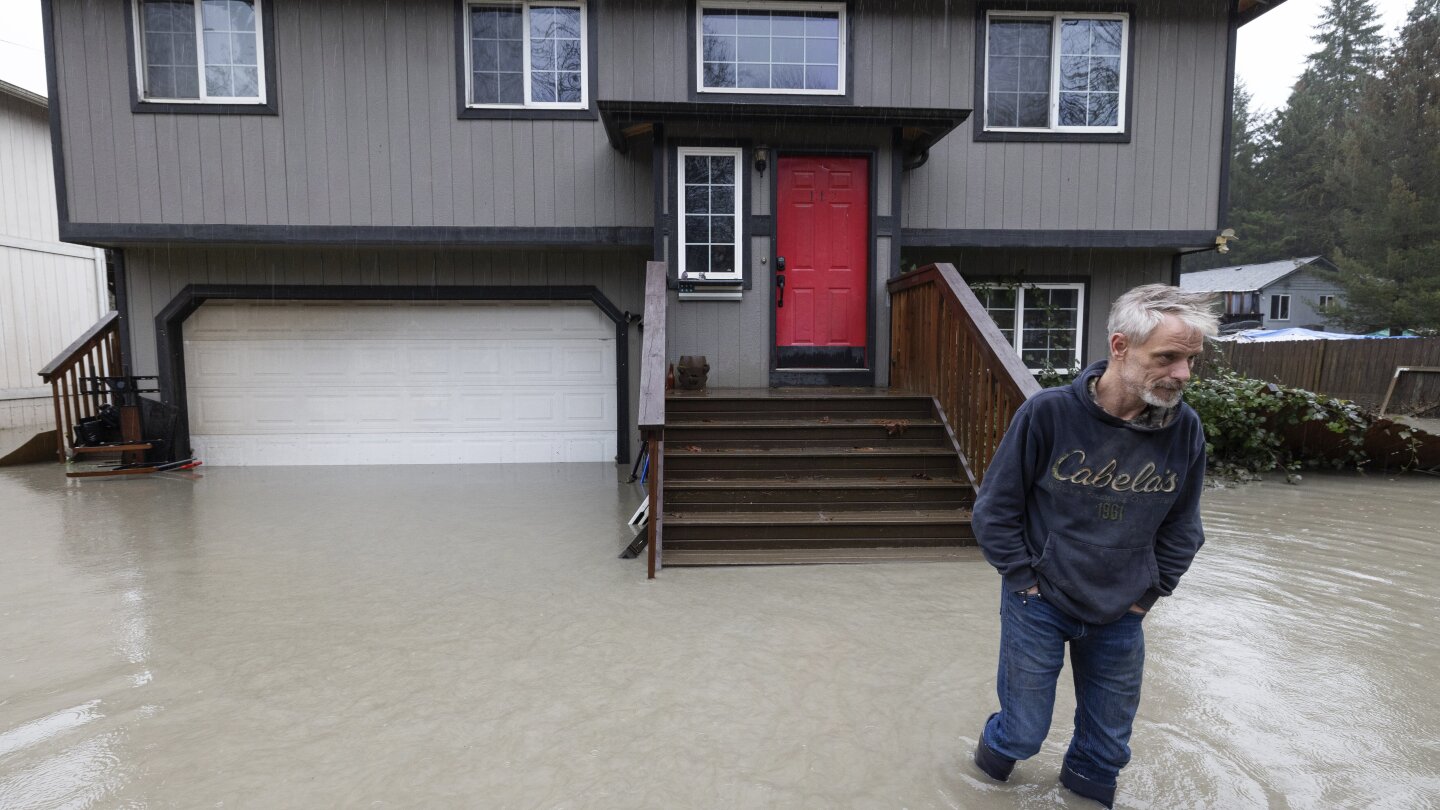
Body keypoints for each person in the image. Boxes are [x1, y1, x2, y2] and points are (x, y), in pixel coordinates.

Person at [969, 284, 1219, 808]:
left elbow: (1183, 527)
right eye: (1168, 358)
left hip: (1122, 611)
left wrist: (1147, 595)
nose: (1183, 374)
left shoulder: (1185, 429)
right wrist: (1025, 581)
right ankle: (979, 785)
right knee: (1022, 733)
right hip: (1039, 602)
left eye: (1191, 359)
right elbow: (995, 510)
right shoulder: (1049, 414)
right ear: (1121, 346)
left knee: (1106, 750)